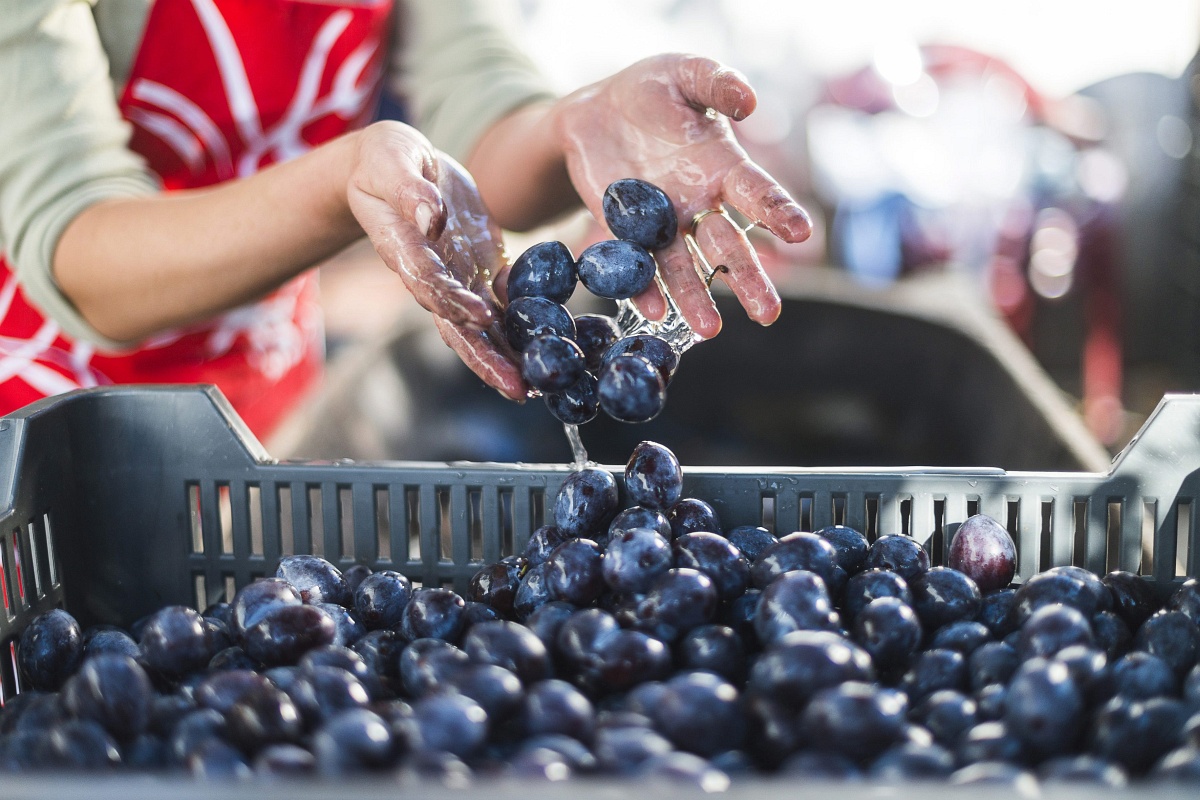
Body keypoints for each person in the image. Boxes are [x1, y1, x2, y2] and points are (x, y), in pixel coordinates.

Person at [0, 0, 812, 438]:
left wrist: (575, 123)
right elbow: (78, 246)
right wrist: (344, 181)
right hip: (48, 419)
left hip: (260, 405)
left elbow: (480, 115)